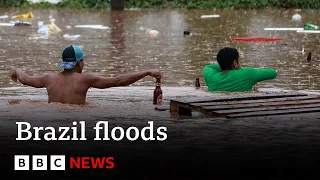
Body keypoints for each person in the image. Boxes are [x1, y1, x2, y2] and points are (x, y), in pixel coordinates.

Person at [11, 45, 162, 105]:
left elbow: (25, 79)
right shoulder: (85, 79)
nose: (83, 63)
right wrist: (147, 72)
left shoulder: (49, 79)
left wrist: (17, 70)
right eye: (82, 60)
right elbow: (118, 81)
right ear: (78, 63)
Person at [203, 47, 277, 92]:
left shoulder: (211, 77)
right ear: (235, 63)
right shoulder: (247, 74)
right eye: (239, 60)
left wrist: (224, 65)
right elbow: (273, 73)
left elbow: (208, 67)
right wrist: (241, 69)